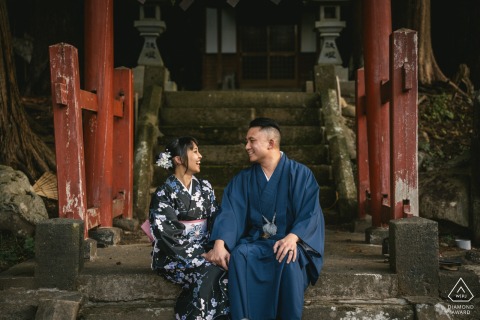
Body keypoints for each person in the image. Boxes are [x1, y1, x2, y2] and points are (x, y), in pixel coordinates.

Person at [203, 118, 325, 320]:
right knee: (241, 254)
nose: (246, 146)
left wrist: (293, 237)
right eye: (246, 141)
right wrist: (220, 243)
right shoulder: (243, 179)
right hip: (257, 241)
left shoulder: (301, 174)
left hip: (290, 241)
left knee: (288, 256)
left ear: (271, 143)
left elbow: (310, 213)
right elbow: (231, 212)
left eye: (251, 141)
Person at [149, 136, 229, 320]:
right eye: (195, 151)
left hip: (204, 250)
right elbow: (167, 234)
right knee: (211, 270)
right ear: (178, 159)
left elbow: (216, 220)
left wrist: (216, 247)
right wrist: (203, 254)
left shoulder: (205, 188)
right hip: (173, 255)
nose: (200, 156)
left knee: (227, 267)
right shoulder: (163, 193)